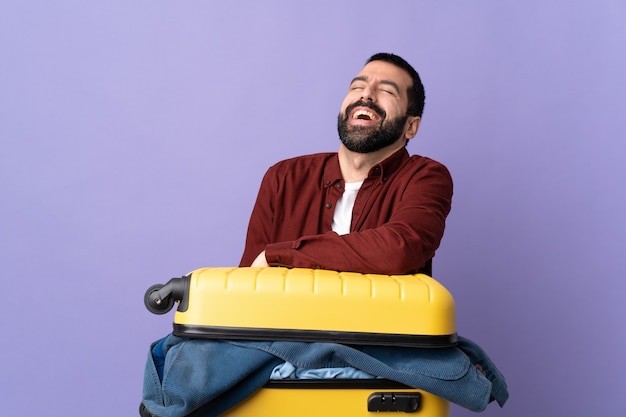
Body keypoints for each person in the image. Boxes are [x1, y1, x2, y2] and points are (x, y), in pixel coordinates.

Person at [239, 52, 453, 276]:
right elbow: (248, 283)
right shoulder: (283, 178)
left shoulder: (426, 177)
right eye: (357, 87)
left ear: (411, 126)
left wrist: (279, 255)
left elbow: (400, 250)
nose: (367, 95)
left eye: (387, 90)